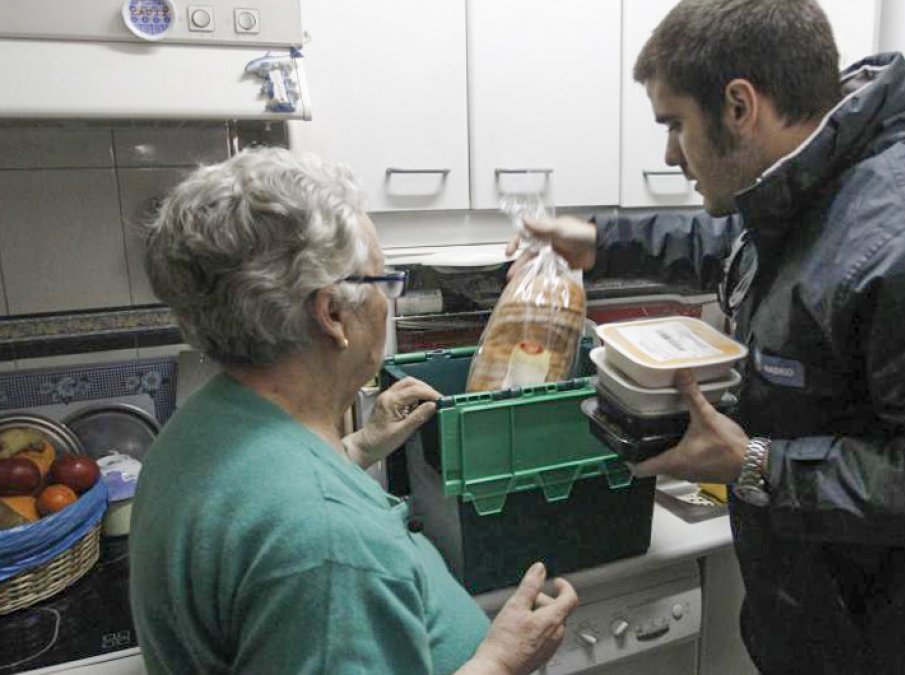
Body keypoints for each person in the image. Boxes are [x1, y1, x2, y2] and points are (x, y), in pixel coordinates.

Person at [508, 0, 905, 672]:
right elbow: (764, 247)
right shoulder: (826, 176)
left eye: (675, 125)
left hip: (892, 633)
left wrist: (758, 464)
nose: (669, 153)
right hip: (817, 604)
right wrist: (605, 241)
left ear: (740, 106)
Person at [131, 148, 577, 675]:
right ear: (334, 313)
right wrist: (502, 661)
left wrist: (360, 446)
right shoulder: (327, 540)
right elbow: (308, 539)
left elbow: (259, 501)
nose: (389, 299)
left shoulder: (202, 425)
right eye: (385, 280)